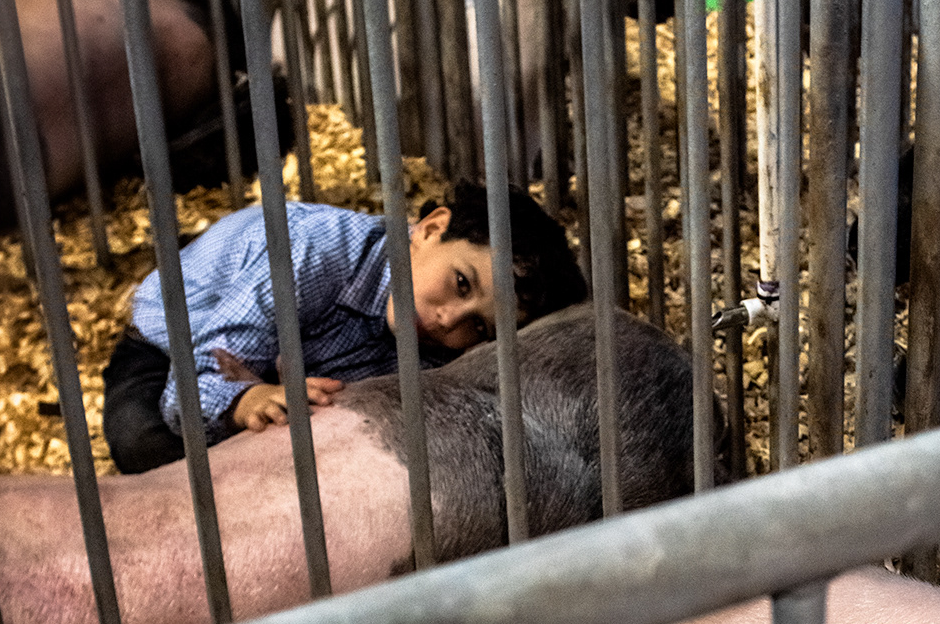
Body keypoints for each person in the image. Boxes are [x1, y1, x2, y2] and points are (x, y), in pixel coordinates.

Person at [100, 178, 589, 475]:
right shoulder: (317, 250)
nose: (448, 319)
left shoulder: (437, 343)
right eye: (461, 283)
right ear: (431, 230)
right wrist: (244, 400)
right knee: (145, 443)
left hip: (289, 374)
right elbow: (193, 383)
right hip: (174, 350)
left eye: (480, 329)